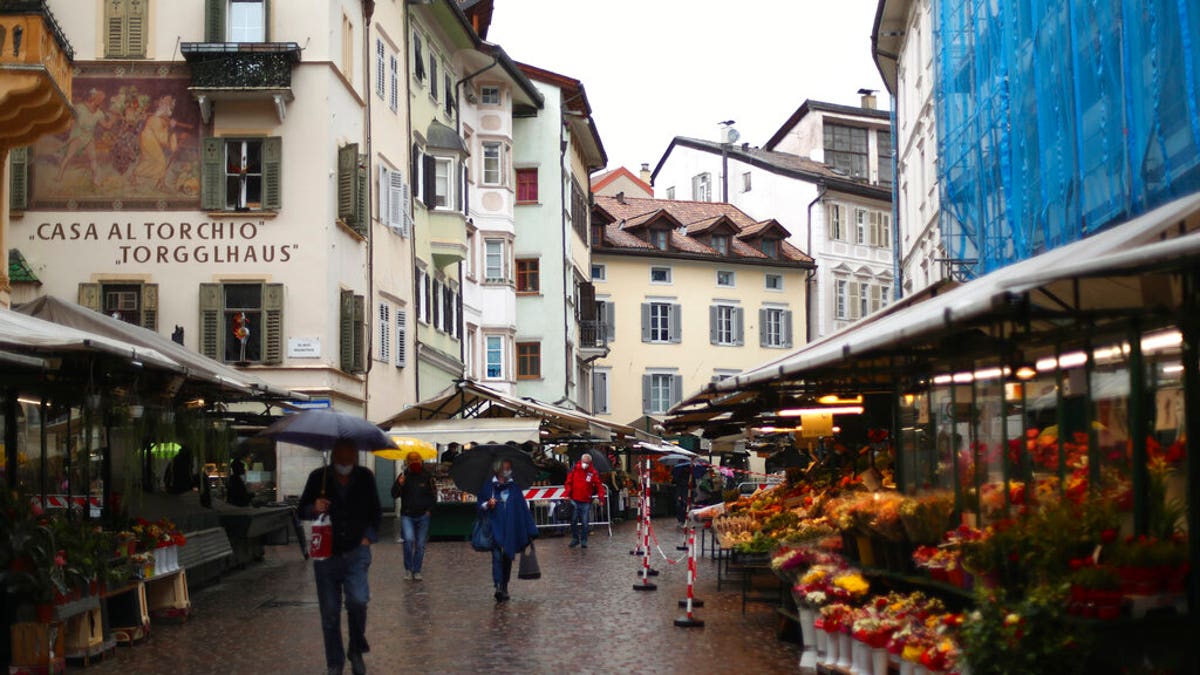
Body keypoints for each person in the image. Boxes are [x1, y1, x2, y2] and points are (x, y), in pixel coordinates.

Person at [298, 441, 381, 675]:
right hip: (326, 553)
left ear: (355, 455)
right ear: (334, 454)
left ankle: (356, 649)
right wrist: (314, 507)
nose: (347, 460)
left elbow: (375, 511)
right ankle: (334, 662)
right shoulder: (318, 477)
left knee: (358, 601)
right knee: (330, 611)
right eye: (342, 455)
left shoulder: (365, 477)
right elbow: (301, 509)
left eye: (351, 455)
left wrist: (368, 537)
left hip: (357, 551)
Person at [477, 458, 538, 602]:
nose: (508, 471)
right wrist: (487, 504)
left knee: (507, 558)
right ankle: (498, 585)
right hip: (495, 528)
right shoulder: (488, 487)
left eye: (509, 468)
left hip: (510, 529)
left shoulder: (514, 488)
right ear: (498, 470)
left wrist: (530, 529)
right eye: (506, 468)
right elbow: (479, 506)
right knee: (497, 557)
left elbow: (522, 508)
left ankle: (504, 586)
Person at [390, 451, 436, 580]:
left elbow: (434, 495)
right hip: (407, 515)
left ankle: (417, 570)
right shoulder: (404, 475)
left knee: (420, 544)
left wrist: (429, 510)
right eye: (412, 460)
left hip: (423, 515)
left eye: (417, 459)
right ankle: (408, 569)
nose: (414, 462)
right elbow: (394, 494)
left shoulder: (427, 476)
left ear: (421, 461)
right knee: (409, 541)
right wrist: (399, 484)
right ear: (408, 462)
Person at [563, 453, 603, 548]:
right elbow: (568, 483)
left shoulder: (592, 472)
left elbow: (599, 485)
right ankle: (575, 538)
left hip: (586, 500)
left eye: (587, 463)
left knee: (585, 522)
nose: (585, 464)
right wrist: (567, 494)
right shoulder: (574, 470)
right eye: (584, 462)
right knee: (573, 521)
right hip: (574, 499)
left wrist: (601, 498)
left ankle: (584, 540)